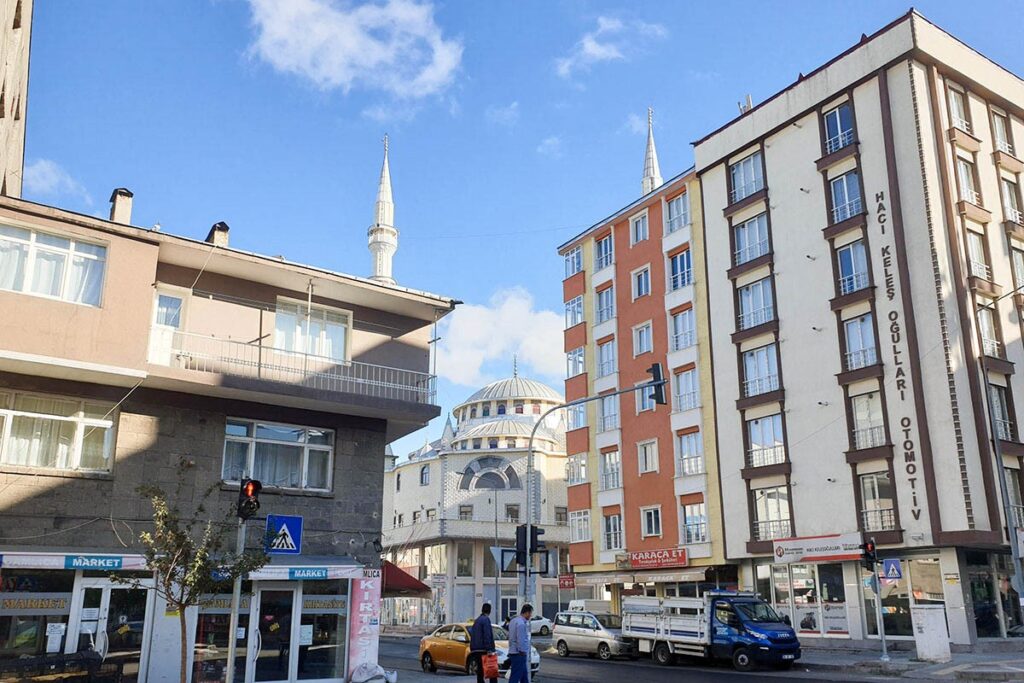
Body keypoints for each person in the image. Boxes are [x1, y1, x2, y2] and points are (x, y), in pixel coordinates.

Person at [469, 603, 497, 683]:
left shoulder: (477, 620)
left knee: (480, 671)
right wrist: (489, 649)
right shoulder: (486, 620)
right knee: (492, 670)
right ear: (490, 611)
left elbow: (472, 634)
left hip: (475, 649)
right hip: (484, 649)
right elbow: (487, 635)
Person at [507, 604, 533, 683]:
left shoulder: (513, 621)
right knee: (515, 676)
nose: (530, 616)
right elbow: (520, 639)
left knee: (524, 676)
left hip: (513, 651)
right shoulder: (521, 624)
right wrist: (522, 651)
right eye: (530, 613)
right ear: (527, 613)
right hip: (519, 653)